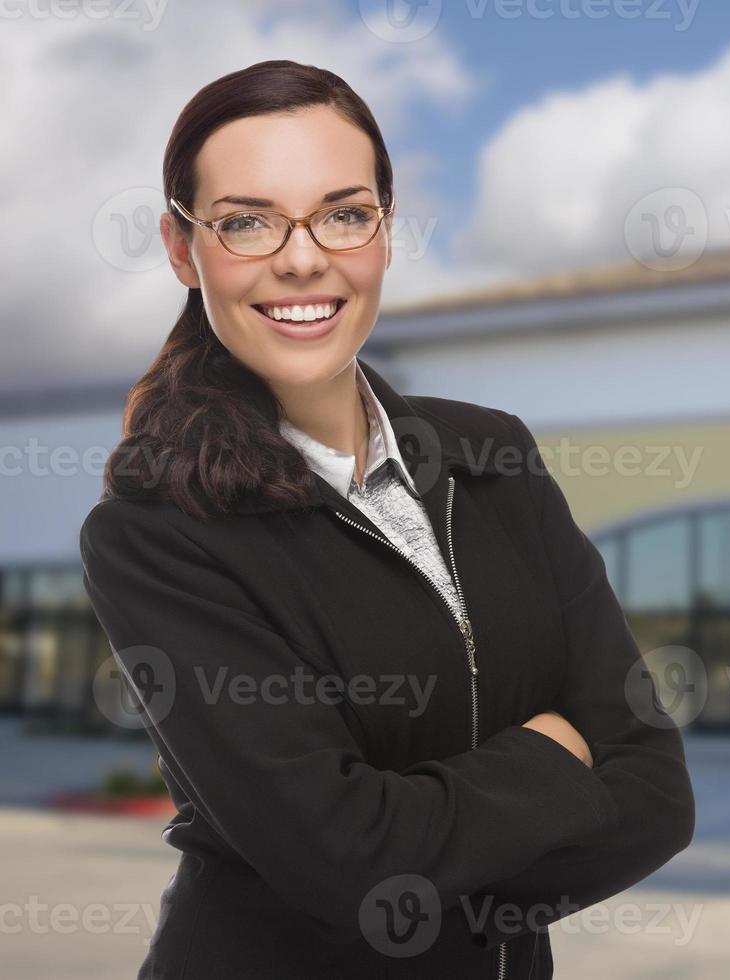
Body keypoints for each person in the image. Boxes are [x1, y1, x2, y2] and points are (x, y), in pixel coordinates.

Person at [78, 60, 694, 980]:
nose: (301, 257)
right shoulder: (157, 531)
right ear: (181, 248)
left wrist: (429, 882)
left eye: (343, 212)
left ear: (385, 230)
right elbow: (350, 861)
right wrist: (553, 756)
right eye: (246, 221)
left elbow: (652, 790)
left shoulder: (494, 457)